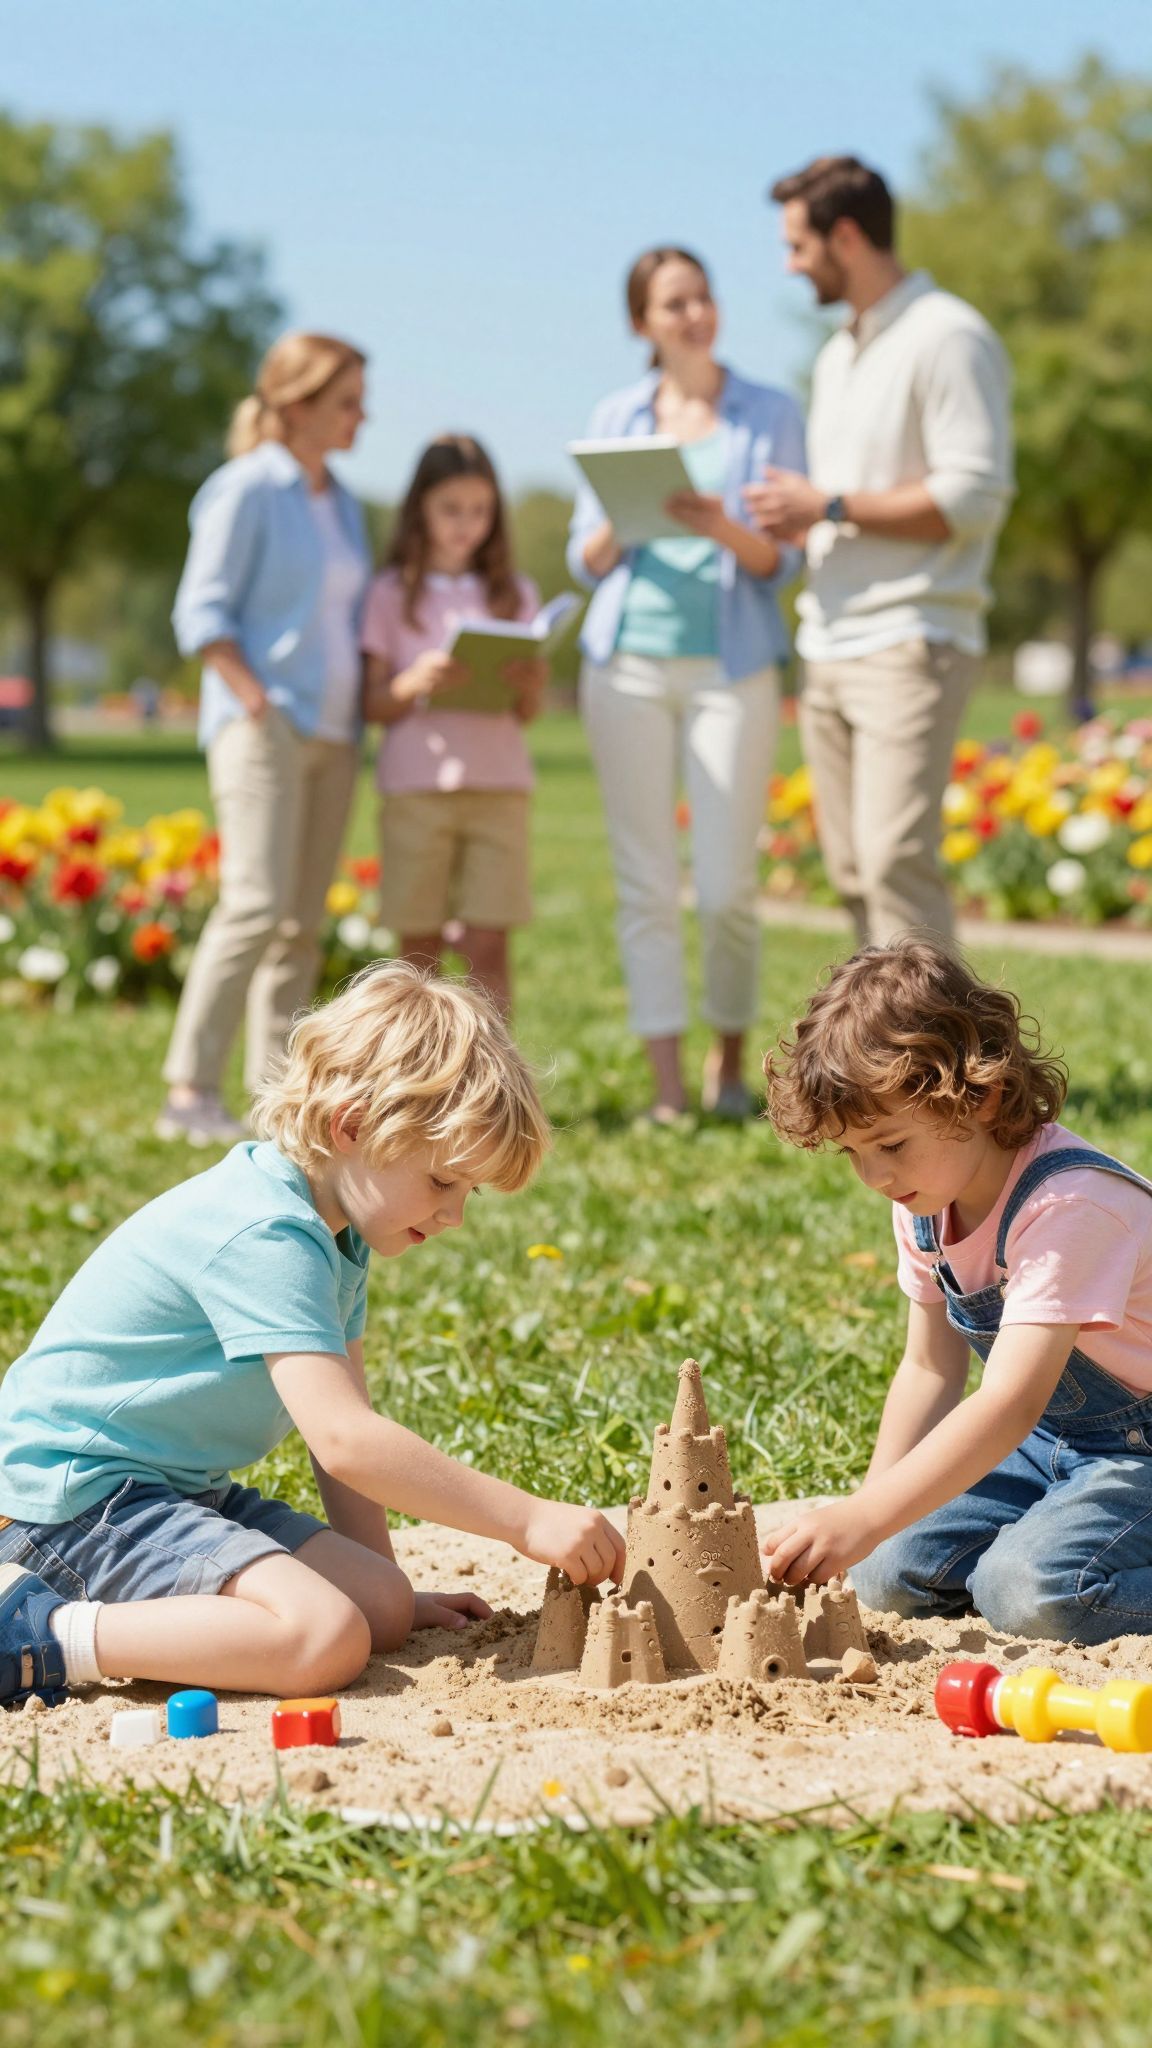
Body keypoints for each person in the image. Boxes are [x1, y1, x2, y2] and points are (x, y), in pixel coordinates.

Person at [0, 963, 625, 1708]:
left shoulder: (339, 1236)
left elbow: (344, 1441)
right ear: (352, 1126)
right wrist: (526, 1519)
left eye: (471, 1191)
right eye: (442, 1182)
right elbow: (347, 1441)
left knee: (378, 1610)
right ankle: (37, 1636)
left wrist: (387, 1589)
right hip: (72, 1505)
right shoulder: (266, 1230)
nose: (456, 1214)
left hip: (171, 1491)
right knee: (322, 1636)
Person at [762, 939, 1152, 1646]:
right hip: (1052, 1441)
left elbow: (1008, 1401)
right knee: (883, 1569)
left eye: (890, 1143)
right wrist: (866, 1514)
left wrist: (863, 1520)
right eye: (852, 1153)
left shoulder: (1069, 1204)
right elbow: (930, 1369)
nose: (875, 1175)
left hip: (1140, 1451)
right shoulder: (923, 1202)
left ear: (982, 1094)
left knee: (1028, 1592)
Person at [748, 158, 1014, 948]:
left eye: (799, 247)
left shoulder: (949, 337)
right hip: (830, 639)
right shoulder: (838, 353)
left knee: (896, 860)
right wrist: (805, 520)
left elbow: (972, 500)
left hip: (910, 639)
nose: (791, 266)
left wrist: (828, 504)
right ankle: (886, 1061)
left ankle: (953, 1065)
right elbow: (859, 496)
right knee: (855, 872)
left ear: (848, 236)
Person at [568, 247, 806, 1123]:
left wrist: (719, 527)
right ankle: (667, 1087)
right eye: (673, 303)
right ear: (643, 323)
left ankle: (730, 1064)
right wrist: (623, 527)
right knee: (645, 880)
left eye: (703, 297)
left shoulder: (769, 413)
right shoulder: (616, 413)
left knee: (727, 882)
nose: (693, 314)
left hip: (731, 667)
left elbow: (780, 561)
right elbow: (583, 556)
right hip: (625, 666)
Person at [157, 332, 373, 1147]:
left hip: (336, 730)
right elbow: (201, 613)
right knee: (253, 905)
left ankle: (270, 1097)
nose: (363, 415)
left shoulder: (342, 500)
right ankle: (187, 1089)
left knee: (301, 924)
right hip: (265, 726)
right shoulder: (245, 489)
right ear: (295, 405)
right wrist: (256, 703)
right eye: (348, 400)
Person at [361, 435, 548, 1016]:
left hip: (498, 786)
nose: (467, 525)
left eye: (481, 511)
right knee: (417, 953)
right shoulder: (389, 594)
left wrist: (528, 683)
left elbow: (526, 713)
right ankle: (414, 1087)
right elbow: (372, 703)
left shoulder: (514, 594)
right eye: (451, 509)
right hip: (417, 790)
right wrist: (414, 681)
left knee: (489, 946)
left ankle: (494, 1092)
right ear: (420, 507)